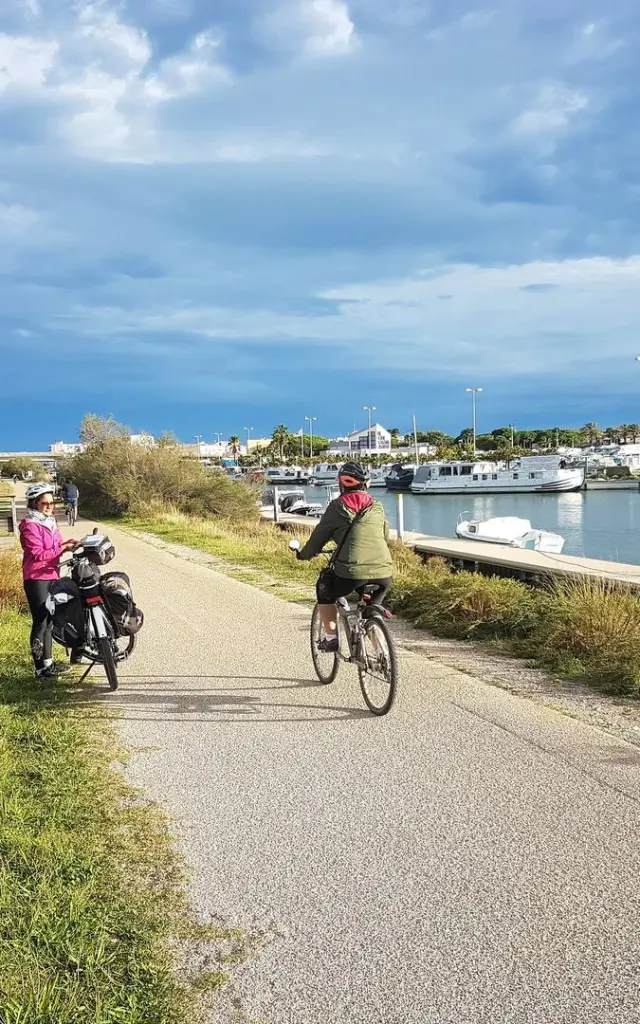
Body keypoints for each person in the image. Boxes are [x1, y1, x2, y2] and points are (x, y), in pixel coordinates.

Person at [295, 462, 393, 652]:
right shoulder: (377, 505)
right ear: (366, 484)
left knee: (325, 589)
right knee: (372, 608)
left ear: (342, 485)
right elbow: (385, 536)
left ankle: (331, 639)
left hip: (351, 572)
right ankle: (381, 654)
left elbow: (318, 538)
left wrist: (304, 555)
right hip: (384, 571)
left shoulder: (336, 506)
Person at [19, 483, 78, 679]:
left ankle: (48, 664)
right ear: (34, 503)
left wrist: (67, 544)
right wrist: (63, 549)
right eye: (45, 503)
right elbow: (37, 554)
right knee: (40, 622)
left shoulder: (50, 522)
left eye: (52, 503)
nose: (49, 506)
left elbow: (55, 547)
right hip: (36, 578)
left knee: (51, 622)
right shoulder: (29, 525)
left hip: (52, 574)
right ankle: (39, 670)